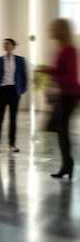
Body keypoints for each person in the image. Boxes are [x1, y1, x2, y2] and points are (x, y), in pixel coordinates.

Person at [37, 18, 80, 179]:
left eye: (53, 28)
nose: (50, 31)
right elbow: (58, 70)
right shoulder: (62, 49)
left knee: (62, 129)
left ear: (60, 30)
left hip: (70, 94)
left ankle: (67, 164)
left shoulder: (69, 50)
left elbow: (70, 77)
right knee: (60, 129)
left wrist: (52, 75)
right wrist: (45, 71)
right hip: (65, 93)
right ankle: (67, 163)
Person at [0, 38, 28, 153]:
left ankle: (12, 144)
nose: (5, 45)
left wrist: (22, 90)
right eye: (4, 44)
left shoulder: (20, 60)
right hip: (2, 91)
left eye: (8, 44)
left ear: (13, 46)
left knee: (13, 119)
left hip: (14, 91)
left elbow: (24, 76)